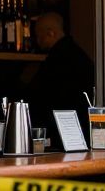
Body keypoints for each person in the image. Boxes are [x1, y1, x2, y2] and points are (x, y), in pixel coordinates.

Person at [25, 12, 96, 144]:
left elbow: (38, 96)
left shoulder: (57, 59)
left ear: (51, 33)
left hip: (61, 133)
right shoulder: (78, 55)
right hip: (82, 131)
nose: (36, 38)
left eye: (38, 33)